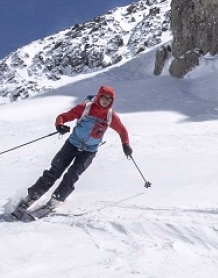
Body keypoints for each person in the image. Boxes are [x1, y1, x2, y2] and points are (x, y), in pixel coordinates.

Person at [9, 84, 133, 217]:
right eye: (104, 98)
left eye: (109, 99)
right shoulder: (85, 108)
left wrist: (125, 144)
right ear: (99, 97)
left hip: (89, 151)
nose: (106, 101)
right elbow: (63, 117)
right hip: (72, 144)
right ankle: (31, 197)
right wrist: (60, 125)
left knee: (72, 175)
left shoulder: (110, 116)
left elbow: (122, 130)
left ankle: (56, 199)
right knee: (54, 171)